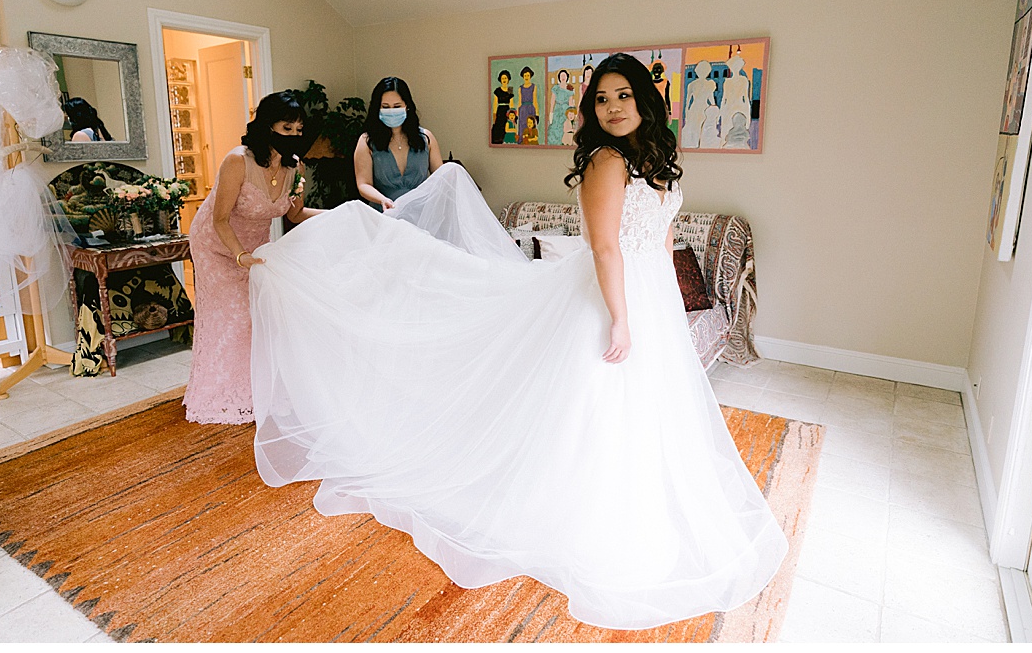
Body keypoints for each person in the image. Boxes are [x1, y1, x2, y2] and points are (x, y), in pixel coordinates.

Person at [248, 54, 786, 629]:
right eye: (601, 99)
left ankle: (635, 507)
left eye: (623, 96)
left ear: (645, 100)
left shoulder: (653, 161)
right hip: (610, 299)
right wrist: (622, 318)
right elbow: (606, 249)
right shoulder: (606, 162)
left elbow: (662, 238)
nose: (612, 108)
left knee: (642, 409)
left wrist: (666, 309)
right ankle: (586, 516)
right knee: (595, 409)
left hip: (647, 295)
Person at [182, 90, 323, 425]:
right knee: (232, 316)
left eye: (298, 131)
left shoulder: (294, 167)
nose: (294, 137)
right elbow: (219, 219)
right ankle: (224, 394)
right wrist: (239, 255)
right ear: (267, 126)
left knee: (258, 316)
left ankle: (256, 387)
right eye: (286, 129)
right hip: (217, 245)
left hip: (255, 249)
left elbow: (296, 214)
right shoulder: (237, 161)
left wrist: (341, 214)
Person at [354, 77, 444, 210]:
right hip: (383, 214)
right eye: (385, 107)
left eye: (397, 106)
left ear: (406, 106)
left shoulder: (426, 138)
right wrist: (383, 200)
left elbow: (441, 179)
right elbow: (363, 184)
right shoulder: (366, 142)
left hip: (421, 214)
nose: (391, 111)